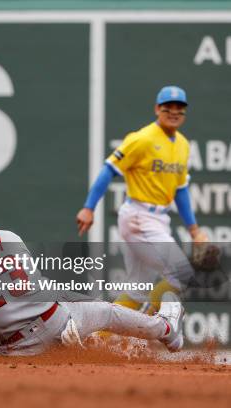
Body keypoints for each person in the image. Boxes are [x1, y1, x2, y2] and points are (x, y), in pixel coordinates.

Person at [0, 184, 184, 356]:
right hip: (54, 319)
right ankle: (166, 329)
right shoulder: (7, 235)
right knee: (105, 311)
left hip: (17, 348)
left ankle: (75, 345)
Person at [76, 86, 208, 314]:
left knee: (137, 289)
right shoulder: (142, 139)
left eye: (180, 108)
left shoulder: (183, 144)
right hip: (139, 216)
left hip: (157, 218)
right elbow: (109, 169)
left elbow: (181, 189)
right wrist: (89, 208)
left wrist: (194, 230)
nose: (174, 112)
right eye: (168, 107)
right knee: (181, 275)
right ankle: (148, 326)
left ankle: (101, 337)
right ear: (157, 109)